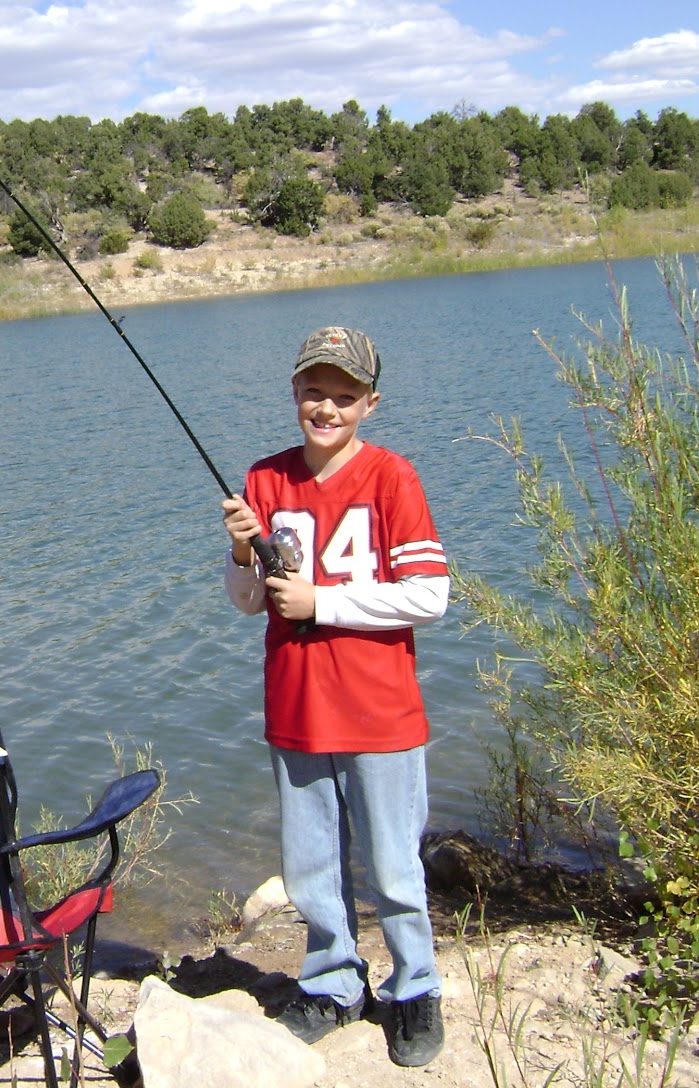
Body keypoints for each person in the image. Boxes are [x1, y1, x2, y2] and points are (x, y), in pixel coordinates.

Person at [221, 325, 448, 1068]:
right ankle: (332, 983)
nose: (326, 408)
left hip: (381, 711)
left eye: (344, 396)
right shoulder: (265, 480)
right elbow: (248, 602)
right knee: (311, 865)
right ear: (294, 392)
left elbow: (430, 595)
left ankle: (414, 989)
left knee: (394, 864)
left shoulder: (392, 478)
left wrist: (325, 601)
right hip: (296, 707)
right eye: (314, 391)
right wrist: (240, 551)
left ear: (369, 404)